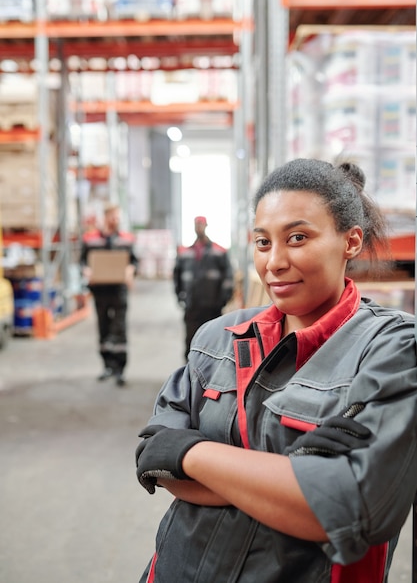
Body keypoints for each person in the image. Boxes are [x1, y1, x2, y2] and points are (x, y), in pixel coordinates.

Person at [135, 158, 417, 583]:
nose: (274, 262)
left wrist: (191, 452)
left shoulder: (391, 349)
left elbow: (352, 510)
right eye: (263, 242)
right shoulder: (218, 340)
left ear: (351, 241)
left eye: (298, 238)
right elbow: (154, 456)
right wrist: (293, 480)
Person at [80, 203, 138, 387]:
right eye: (113, 217)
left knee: (119, 328)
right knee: (103, 327)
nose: (116, 220)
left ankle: (120, 369)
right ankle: (107, 366)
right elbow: (82, 261)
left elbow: (134, 261)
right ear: (105, 217)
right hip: (100, 291)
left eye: (118, 217)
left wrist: (130, 271)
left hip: (119, 290)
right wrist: (87, 272)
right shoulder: (91, 239)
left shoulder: (126, 239)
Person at [173, 215, 234, 360]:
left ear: (206, 226)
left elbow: (228, 276)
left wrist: (224, 298)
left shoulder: (219, 252)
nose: (198, 227)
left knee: (213, 339)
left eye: (201, 224)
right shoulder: (185, 253)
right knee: (191, 339)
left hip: (212, 306)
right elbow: (176, 277)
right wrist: (179, 296)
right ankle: (190, 369)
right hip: (192, 305)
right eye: (196, 224)